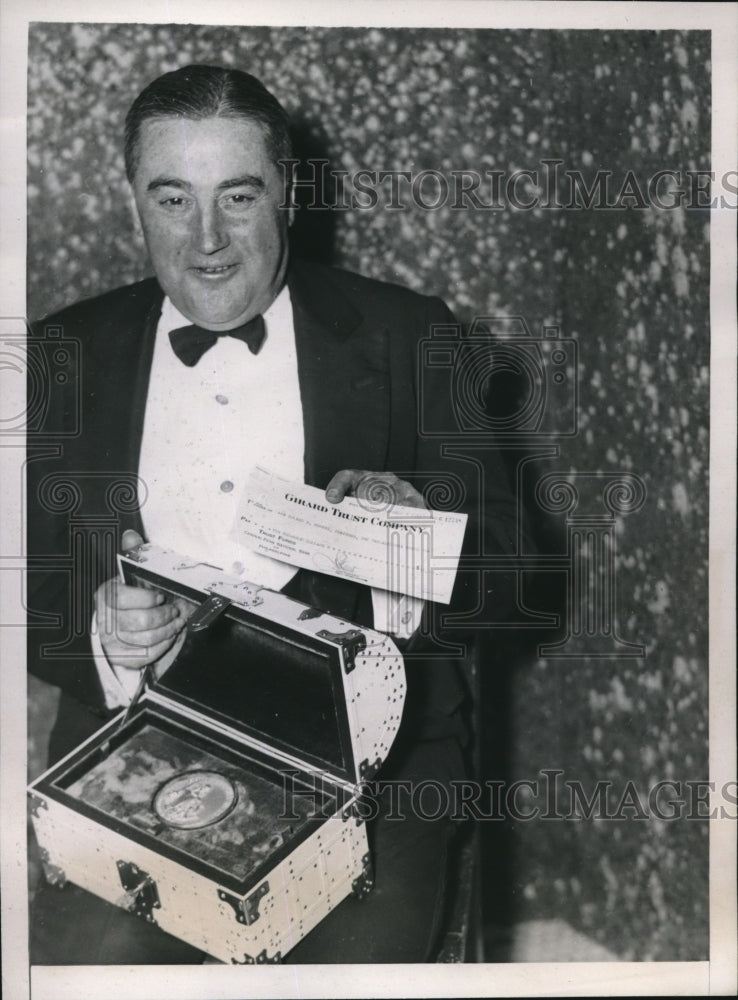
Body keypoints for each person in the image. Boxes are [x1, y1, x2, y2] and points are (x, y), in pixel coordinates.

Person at [27, 64, 519, 964]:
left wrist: (416, 536)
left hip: (377, 763)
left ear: (287, 193)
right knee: (85, 969)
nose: (207, 239)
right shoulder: (69, 350)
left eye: (238, 196)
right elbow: (34, 601)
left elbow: (525, 582)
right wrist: (105, 635)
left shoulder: (409, 333)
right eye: (172, 199)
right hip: (144, 745)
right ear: (132, 196)